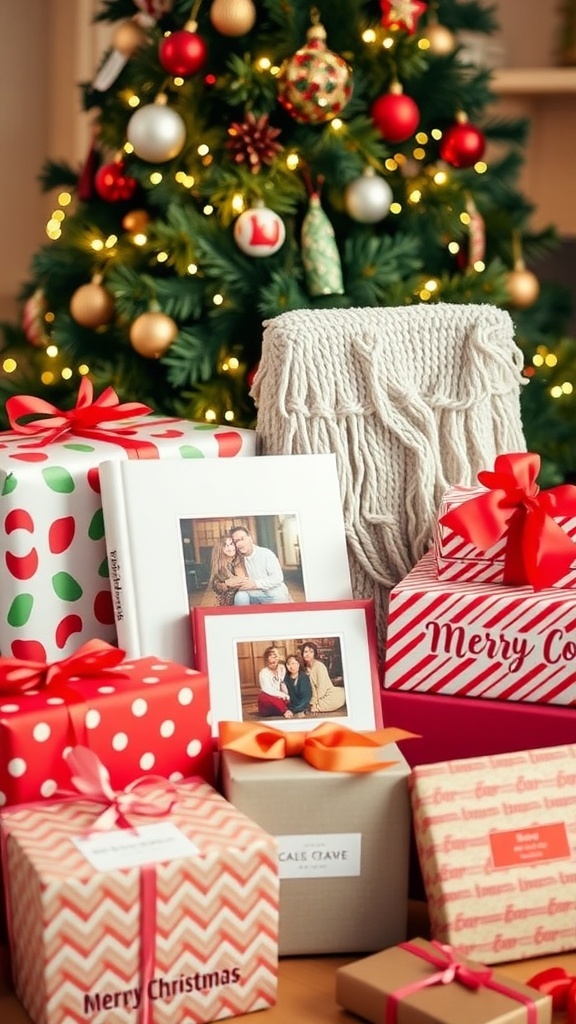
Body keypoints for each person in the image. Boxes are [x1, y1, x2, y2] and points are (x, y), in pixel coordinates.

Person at [227, 524, 293, 605]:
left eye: (242, 539)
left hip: (274, 594)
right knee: (240, 596)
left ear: (250, 537)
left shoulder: (266, 554)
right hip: (254, 594)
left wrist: (256, 584)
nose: (239, 544)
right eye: (236, 541)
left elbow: (277, 577)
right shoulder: (239, 560)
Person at [301, 641, 346, 714]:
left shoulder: (319, 666)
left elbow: (322, 688)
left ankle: (316, 707)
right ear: (302, 654)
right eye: (305, 652)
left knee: (327, 702)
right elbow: (310, 688)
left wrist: (314, 703)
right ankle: (315, 706)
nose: (308, 654)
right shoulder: (305, 668)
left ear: (314, 654)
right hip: (316, 696)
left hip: (327, 693)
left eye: (311, 652)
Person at [209, 532, 246, 606]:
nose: (230, 548)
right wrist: (226, 584)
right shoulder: (220, 565)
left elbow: (243, 580)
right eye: (225, 546)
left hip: (244, 594)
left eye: (231, 544)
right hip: (227, 601)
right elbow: (215, 586)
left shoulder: (242, 559)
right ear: (221, 549)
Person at [257, 646, 293, 718]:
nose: (273, 660)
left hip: (280, 700)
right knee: (263, 695)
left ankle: (284, 709)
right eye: (270, 657)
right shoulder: (263, 672)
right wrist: (283, 696)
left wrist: (286, 696)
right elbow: (268, 690)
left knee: (289, 698)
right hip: (269, 702)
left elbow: (283, 683)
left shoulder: (282, 668)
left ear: (278, 658)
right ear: (267, 659)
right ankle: (285, 711)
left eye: (275, 656)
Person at [283, 653, 312, 717]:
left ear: (298, 664)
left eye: (293, 663)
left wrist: (293, 710)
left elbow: (306, 699)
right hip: (290, 707)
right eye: (288, 664)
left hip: (303, 706)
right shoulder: (286, 678)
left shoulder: (303, 677)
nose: (291, 666)